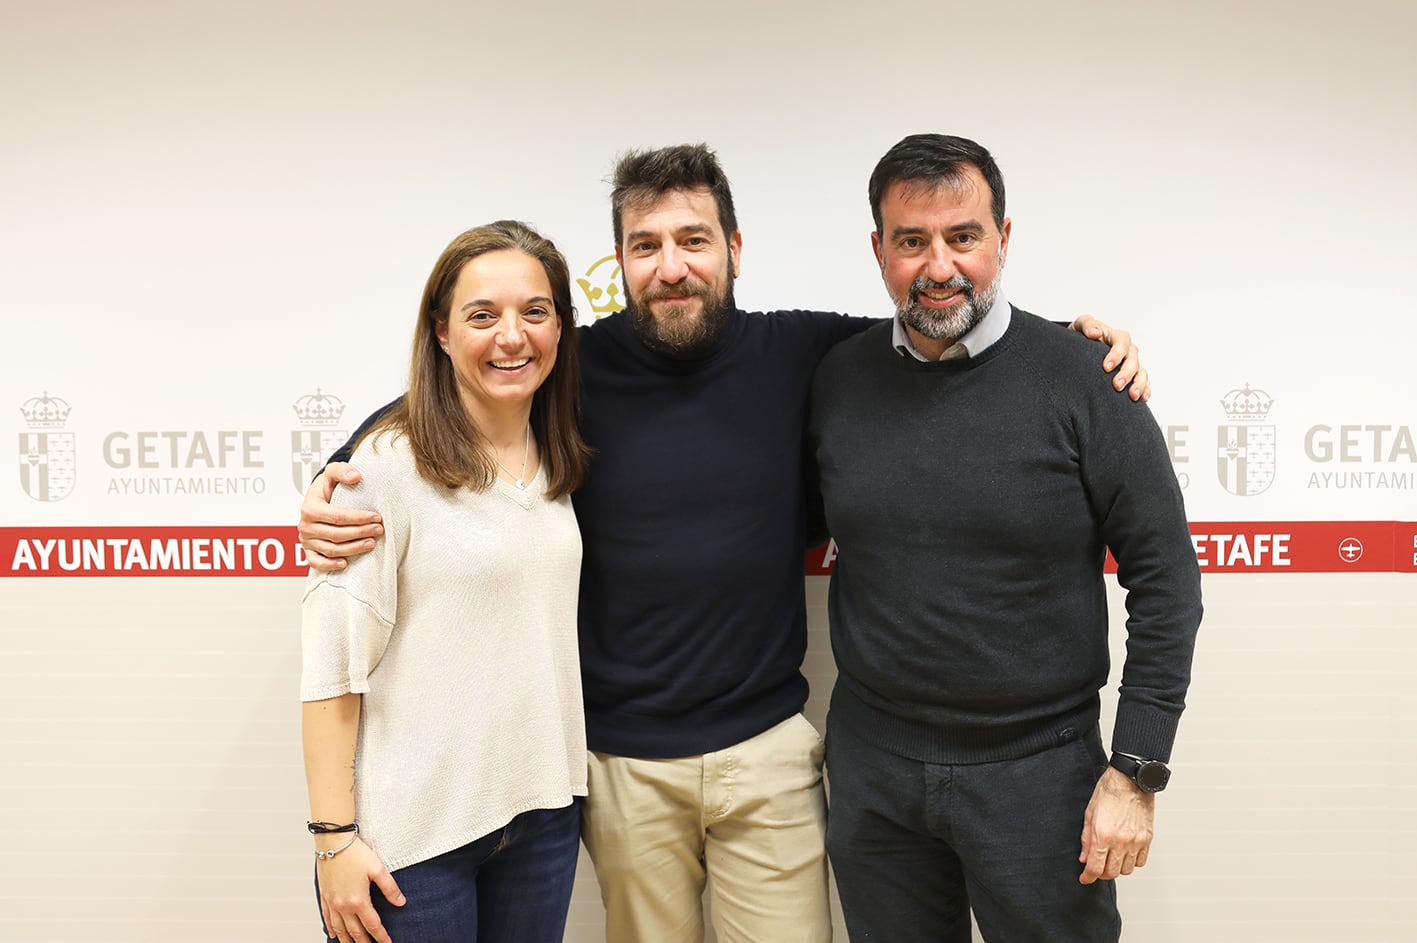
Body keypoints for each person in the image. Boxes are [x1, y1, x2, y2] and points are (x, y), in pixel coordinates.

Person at [298, 144, 1149, 943]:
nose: (671, 266)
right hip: (620, 765)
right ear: (620, 263)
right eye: (646, 245)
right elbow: (450, 392)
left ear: (733, 247)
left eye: (693, 240)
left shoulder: (810, 352)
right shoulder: (567, 368)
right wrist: (335, 474)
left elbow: (940, 316)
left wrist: (1079, 348)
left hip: (768, 754)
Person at [806, 133, 1204, 942]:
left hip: (1039, 775)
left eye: (963, 236)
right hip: (873, 770)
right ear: (878, 249)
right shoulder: (835, 376)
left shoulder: (1087, 381)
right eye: (911, 242)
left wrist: (1135, 771)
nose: (939, 266)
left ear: (1003, 238)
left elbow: (1165, 580)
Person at [300, 220, 593, 943]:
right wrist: (333, 840)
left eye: (534, 311)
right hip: (414, 844)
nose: (511, 336)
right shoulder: (382, 469)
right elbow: (331, 670)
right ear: (439, 331)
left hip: (542, 819)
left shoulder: (557, 458)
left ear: (560, 324)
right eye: (481, 315)